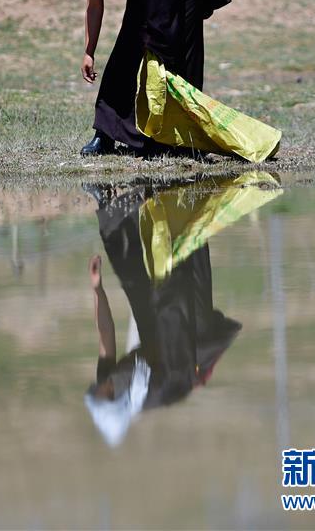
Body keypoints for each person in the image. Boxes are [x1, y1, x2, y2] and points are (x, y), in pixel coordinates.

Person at [83, 181, 241, 446]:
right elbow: (173, 315)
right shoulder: (160, 388)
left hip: (154, 340)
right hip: (191, 343)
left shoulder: (107, 382)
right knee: (180, 265)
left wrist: (97, 289)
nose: (103, 383)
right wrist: (164, 287)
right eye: (104, 390)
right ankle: (184, 194)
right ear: (116, 398)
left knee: (133, 276)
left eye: (99, 388)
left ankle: (111, 202)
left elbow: (106, 333)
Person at [69, 0, 231, 156]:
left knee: (177, 59)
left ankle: (185, 140)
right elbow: (94, 4)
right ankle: (106, 135)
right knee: (124, 54)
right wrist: (89, 51)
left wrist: (158, 43)